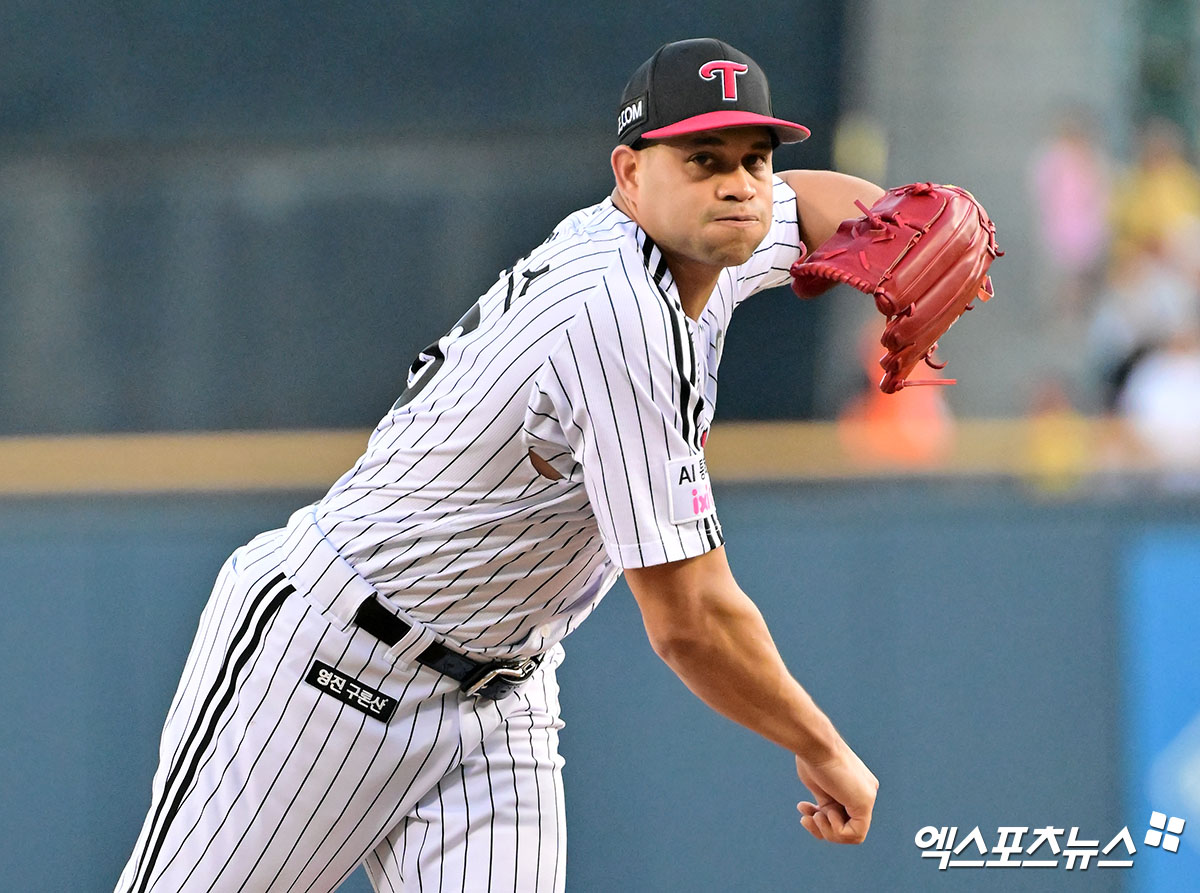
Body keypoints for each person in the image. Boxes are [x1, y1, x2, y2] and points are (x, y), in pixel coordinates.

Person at [116, 38, 882, 893]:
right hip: (330, 666)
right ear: (630, 174)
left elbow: (812, 204)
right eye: (704, 159)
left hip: (500, 695)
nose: (739, 184)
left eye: (754, 157)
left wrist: (899, 224)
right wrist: (821, 747)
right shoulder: (615, 314)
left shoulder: (701, 236)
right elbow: (691, 620)